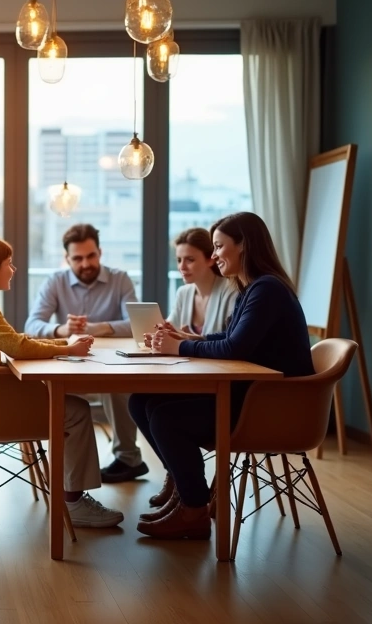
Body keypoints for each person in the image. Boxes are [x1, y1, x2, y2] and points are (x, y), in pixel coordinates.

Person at [130, 212, 314, 540]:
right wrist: (188, 338)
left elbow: (234, 348)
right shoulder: (254, 288)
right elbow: (229, 338)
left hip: (268, 408)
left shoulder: (266, 289)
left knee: (166, 418)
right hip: (254, 396)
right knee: (142, 401)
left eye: (218, 246)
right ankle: (186, 491)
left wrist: (179, 347)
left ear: (244, 245)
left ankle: (194, 510)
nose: (214, 255)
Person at [0, 236, 124, 528]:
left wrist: (64, 343)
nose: (13, 269)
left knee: (70, 407)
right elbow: (18, 348)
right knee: (77, 412)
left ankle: (73, 498)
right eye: (9, 264)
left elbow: (17, 341)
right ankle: (74, 503)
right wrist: (69, 350)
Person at [25, 223, 145, 484]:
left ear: (100, 253)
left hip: (111, 367)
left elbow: (137, 324)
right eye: (77, 258)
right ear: (67, 259)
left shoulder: (120, 278)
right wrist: (62, 329)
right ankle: (68, 474)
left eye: (91, 256)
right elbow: (31, 325)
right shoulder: (55, 282)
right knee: (63, 399)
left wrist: (100, 328)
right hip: (70, 367)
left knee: (121, 386)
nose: (86, 263)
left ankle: (129, 459)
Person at [145, 227, 240, 510]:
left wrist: (182, 341)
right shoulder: (184, 293)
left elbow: (228, 344)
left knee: (163, 416)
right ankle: (177, 476)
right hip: (192, 378)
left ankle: (190, 497)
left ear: (210, 259)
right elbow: (174, 331)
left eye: (189, 259)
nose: (182, 267)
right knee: (139, 402)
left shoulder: (232, 292)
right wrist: (162, 335)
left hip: (221, 384)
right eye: (178, 260)